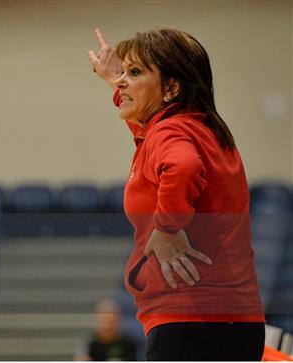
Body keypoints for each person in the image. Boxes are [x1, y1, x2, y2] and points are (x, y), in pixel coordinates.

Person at [88, 28, 265, 360]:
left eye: (135, 72)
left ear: (171, 88)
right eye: (125, 71)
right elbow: (151, 131)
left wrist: (167, 227)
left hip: (189, 320)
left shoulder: (169, 132)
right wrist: (116, 79)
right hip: (240, 321)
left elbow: (181, 165)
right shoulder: (200, 128)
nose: (123, 81)